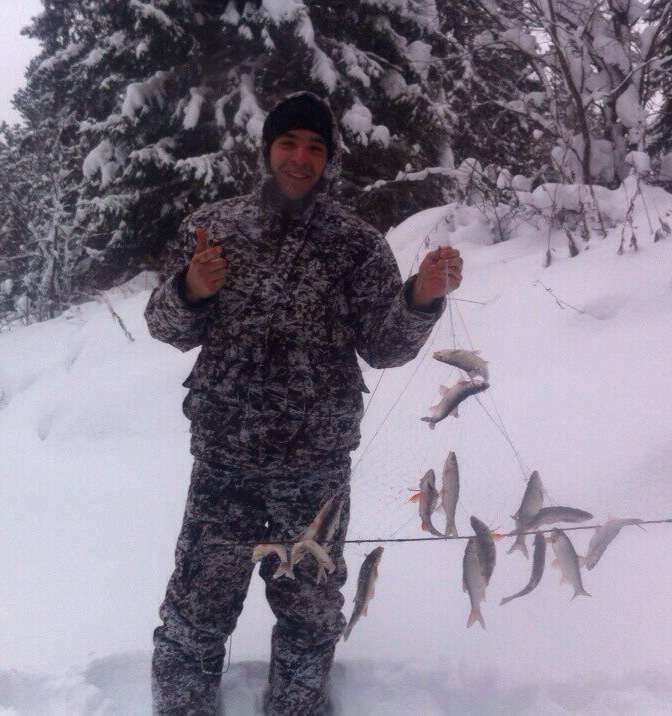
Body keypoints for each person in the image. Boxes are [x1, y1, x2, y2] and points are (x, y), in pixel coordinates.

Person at [144, 91, 463, 715]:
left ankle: (296, 708)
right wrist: (190, 289)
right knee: (197, 607)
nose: (300, 157)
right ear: (268, 150)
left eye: (315, 147)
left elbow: (384, 347)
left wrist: (422, 296)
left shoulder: (356, 244)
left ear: (328, 159)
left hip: (315, 464)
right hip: (224, 459)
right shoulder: (214, 228)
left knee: (310, 610)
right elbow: (165, 327)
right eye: (288, 143)